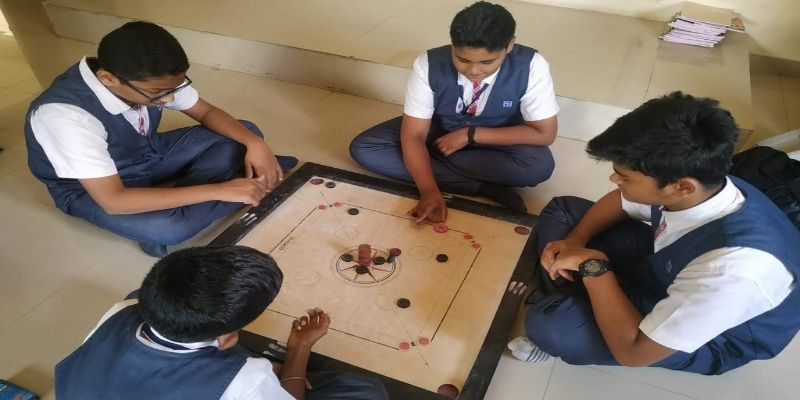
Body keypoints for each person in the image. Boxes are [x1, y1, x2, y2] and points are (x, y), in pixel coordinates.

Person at [509, 92, 800, 374]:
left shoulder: (735, 271)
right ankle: (571, 296)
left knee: (553, 327)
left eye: (625, 177)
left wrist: (593, 266)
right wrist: (575, 242)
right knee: (565, 212)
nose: (613, 179)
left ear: (681, 187)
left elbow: (633, 353)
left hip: (715, 336)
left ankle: (567, 302)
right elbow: (621, 201)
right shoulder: (705, 183)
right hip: (668, 267)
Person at [24, 21, 297, 258]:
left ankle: (194, 195)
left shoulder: (149, 78)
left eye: (174, 88)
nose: (169, 98)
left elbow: (206, 112)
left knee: (245, 131)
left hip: (148, 152)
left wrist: (256, 144)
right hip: (92, 189)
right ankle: (242, 186)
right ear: (107, 79)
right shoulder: (65, 116)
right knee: (170, 228)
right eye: (157, 93)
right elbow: (113, 200)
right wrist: (219, 190)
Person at [55, 245, 388, 399]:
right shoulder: (245, 378)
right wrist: (299, 348)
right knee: (365, 390)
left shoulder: (122, 309)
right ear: (228, 338)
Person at [349, 1, 558, 221]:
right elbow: (414, 134)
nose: (474, 70)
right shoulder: (427, 64)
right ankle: (481, 186)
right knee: (365, 148)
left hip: (497, 137)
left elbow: (544, 133)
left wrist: (470, 134)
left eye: (487, 62)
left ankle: (433, 162)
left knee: (538, 166)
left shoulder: (531, 65)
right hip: (439, 131)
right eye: (462, 59)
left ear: (509, 45)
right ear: (452, 45)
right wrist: (428, 191)